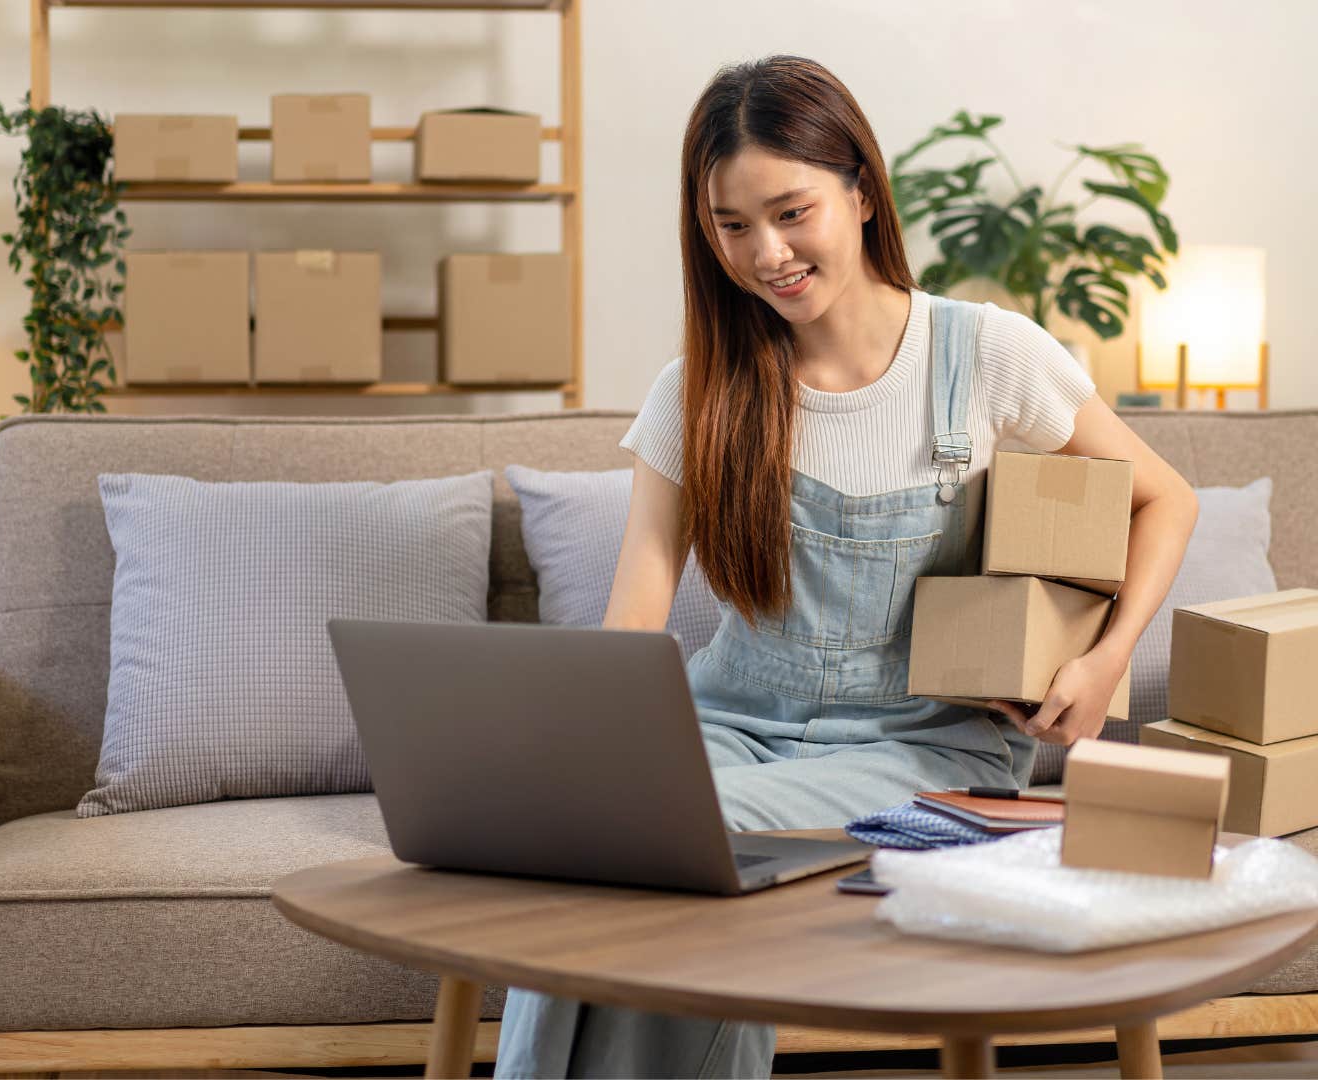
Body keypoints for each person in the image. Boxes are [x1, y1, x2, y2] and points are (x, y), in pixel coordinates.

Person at [494, 53, 1198, 1079]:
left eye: (791, 212)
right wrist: (589, 764)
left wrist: (1104, 665)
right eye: (731, 227)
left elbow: (1164, 497)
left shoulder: (988, 355)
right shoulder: (700, 387)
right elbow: (633, 617)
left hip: (925, 748)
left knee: (692, 836)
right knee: (594, 835)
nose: (765, 253)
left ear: (863, 190)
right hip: (732, 720)